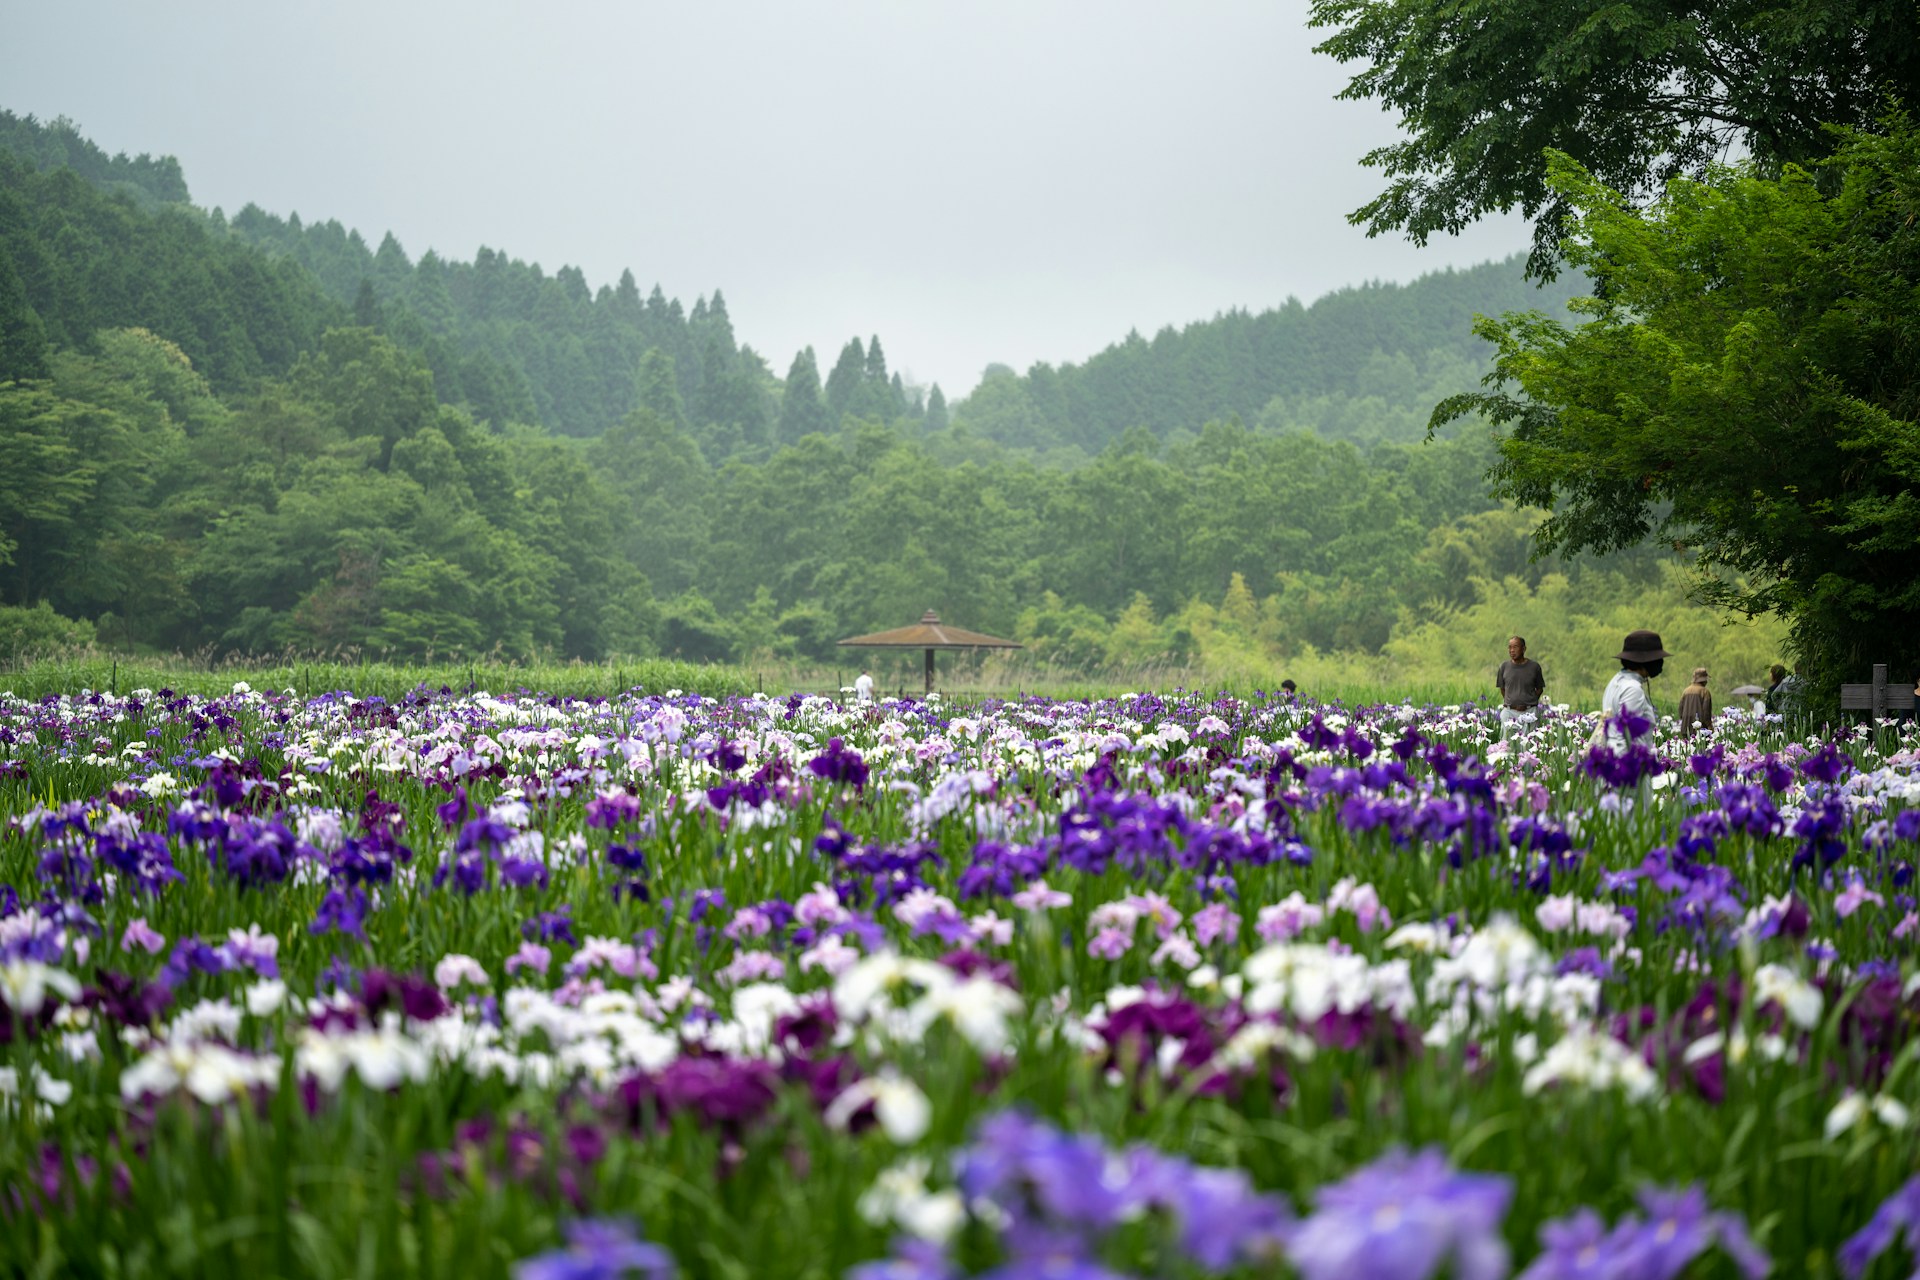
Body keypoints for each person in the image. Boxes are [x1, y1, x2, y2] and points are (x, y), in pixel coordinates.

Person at [1598, 629, 1668, 748]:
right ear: (1647, 661)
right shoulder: (1632, 689)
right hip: (1628, 760)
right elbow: (1628, 735)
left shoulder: (1616, 681)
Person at [1494, 635, 1546, 737]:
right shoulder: (1504, 667)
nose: (1512, 650)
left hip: (1529, 712)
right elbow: (1503, 689)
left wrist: (1529, 701)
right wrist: (1512, 702)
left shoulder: (1534, 667)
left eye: (1515, 647)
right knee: (1506, 746)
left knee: (1529, 746)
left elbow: (1539, 689)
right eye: (1510, 647)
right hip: (1509, 712)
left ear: (1524, 649)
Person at [1677, 666, 1713, 735]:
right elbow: (1706, 713)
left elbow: (1680, 710)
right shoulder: (1705, 692)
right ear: (1704, 680)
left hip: (1685, 728)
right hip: (1700, 730)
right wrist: (1709, 726)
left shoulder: (1686, 691)